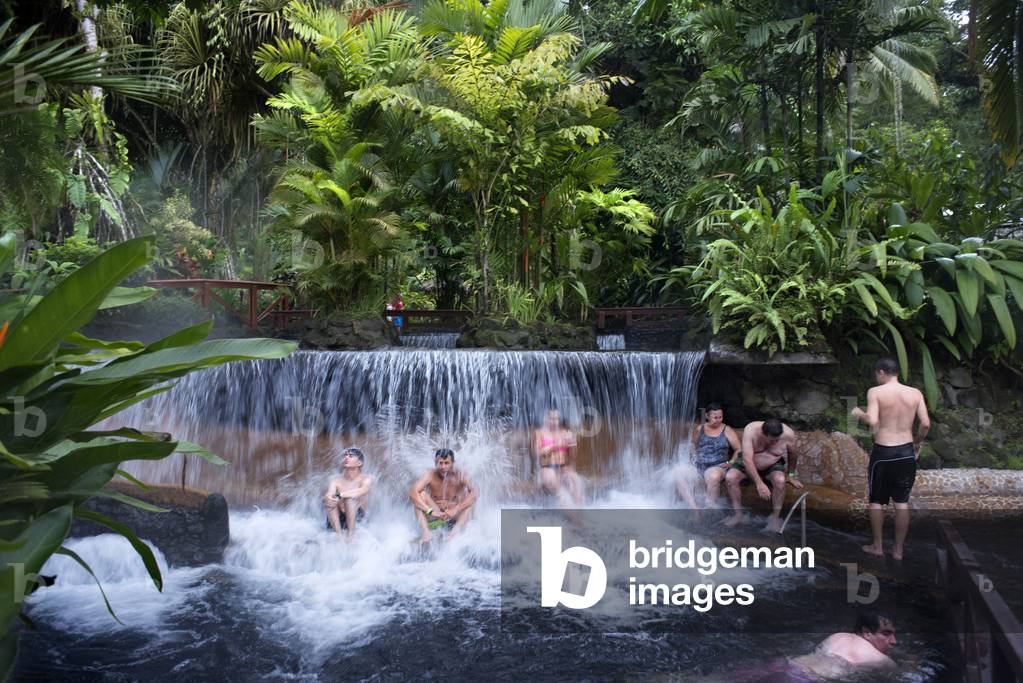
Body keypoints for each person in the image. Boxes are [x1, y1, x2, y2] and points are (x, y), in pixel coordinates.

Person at [851, 357, 930, 560]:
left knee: (877, 501)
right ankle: (898, 550)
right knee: (901, 502)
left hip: (883, 453)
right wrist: (917, 443)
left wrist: (858, 413)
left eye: (876, 374)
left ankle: (877, 546)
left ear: (881, 372)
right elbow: (925, 424)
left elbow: (873, 420)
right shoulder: (915, 393)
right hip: (906, 453)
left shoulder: (876, 392)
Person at [729, 611, 898, 682]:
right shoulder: (883, 660)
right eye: (887, 633)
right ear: (867, 632)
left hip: (785, 665)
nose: (893, 641)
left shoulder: (838, 636)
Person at [723, 418, 803, 531]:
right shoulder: (751, 430)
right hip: (748, 463)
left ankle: (775, 519)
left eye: (777, 440)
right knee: (730, 477)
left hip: (772, 465)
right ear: (763, 433)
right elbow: (747, 460)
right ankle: (738, 515)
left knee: (780, 481)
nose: (775, 443)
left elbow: (793, 454)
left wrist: (790, 475)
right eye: (772, 440)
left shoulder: (788, 434)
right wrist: (759, 483)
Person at [676, 402, 741, 508]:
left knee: (712, 476)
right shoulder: (699, 429)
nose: (719, 420)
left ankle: (709, 508)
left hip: (717, 466)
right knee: (679, 475)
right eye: (715, 417)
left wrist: (731, 462)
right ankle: (694, 508)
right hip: (699, 465)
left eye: (721, 417)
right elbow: (692, 444)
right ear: (707, 416)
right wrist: (694, 456)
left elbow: (738, 449)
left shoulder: (727, 430)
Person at [410, 448, 478, 543]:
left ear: (453, 463)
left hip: (454, 516)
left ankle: (455, 531)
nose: (443, 467)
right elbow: (413, 493)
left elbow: (475, 492)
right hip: (436, 515)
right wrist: (431, 512)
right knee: (420, 495)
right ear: (435, 463)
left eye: (446, 463)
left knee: (469, 496)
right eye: (440, 463)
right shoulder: (430, 474)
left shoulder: (460, 475)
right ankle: (426, 532)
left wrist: (455, 509)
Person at [533, 409, 583, 506]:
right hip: (547, 468)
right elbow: (538, 453)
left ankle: (580, 512)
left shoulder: (565, 433)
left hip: (563, 467)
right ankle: (576, 519)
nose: (554, 421)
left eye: (556, 418)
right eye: (551, 418)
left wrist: (573, 444)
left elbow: (573, 457)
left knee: (576, 482)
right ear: (546, 419)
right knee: (563, 494)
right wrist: (557, 446)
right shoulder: (539, 433)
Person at [323, 447, 373, 539]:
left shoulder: (366, 479)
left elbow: (361, 491)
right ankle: (339, 537)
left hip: (358, 518)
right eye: (345, 455)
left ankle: (351, 537)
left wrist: (339, 495)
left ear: (359, 463)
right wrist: (328, 498)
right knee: (330, 502)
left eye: (350, 456)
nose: (346, 458)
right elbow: (328, 495)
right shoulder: (336, 480)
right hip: (338, 519)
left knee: (349, 499)